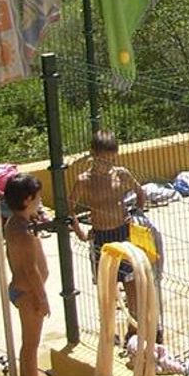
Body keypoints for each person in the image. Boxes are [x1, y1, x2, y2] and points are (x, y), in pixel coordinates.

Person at [70, 130, 147, 322]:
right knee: (107, 285)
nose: (109, 164)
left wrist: (136, 213)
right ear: (93, 155)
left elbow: (140, 192)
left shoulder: (121, 175)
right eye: (105, 160)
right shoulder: (84, 181)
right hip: (100, 238)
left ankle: (134, 325)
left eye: (112, 159)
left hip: (122, 233)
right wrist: (79, 230)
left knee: (130, 281)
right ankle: (109, 326)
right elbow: (69, 208)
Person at [4, 174, 49, 376]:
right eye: (38, 198)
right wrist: (42, 298)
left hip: (19, 290)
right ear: (27, 200)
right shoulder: (24, 234)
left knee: (28, 345)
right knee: (31, 345)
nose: (40, 202)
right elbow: (32, 270)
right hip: (29, 293)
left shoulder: (14, 223)